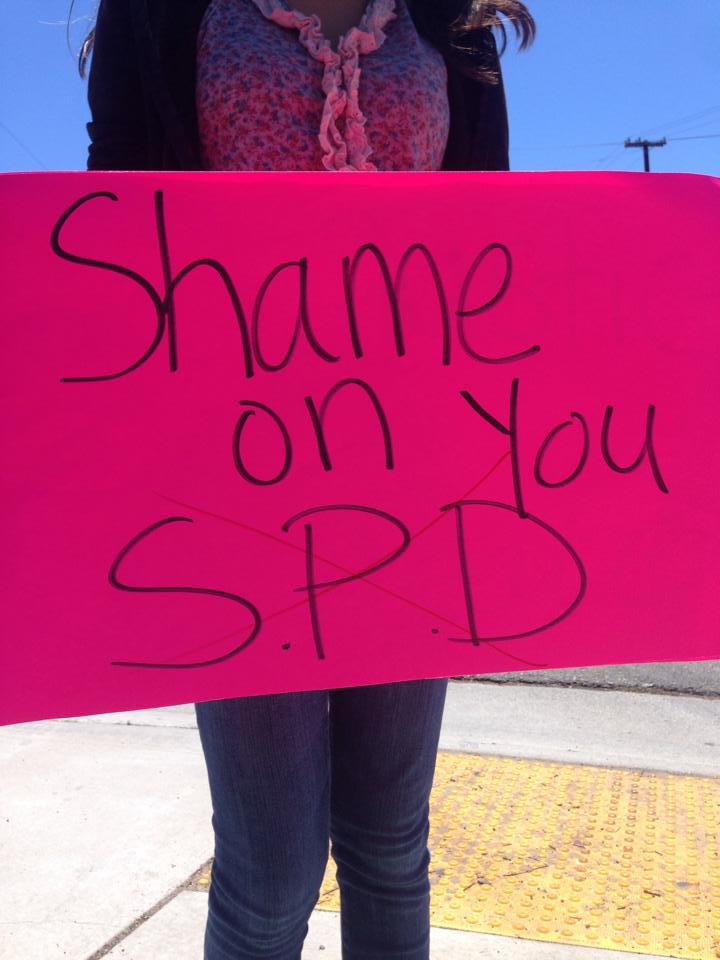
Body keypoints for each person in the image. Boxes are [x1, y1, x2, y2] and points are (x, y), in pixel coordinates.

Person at [80, 1, 534, 957]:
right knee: (271, 869)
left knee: (390, 843)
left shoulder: (448, 18)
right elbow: (111, 222)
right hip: (232, 479)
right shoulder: (161, 13)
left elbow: (490, 230)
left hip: (415, 473)